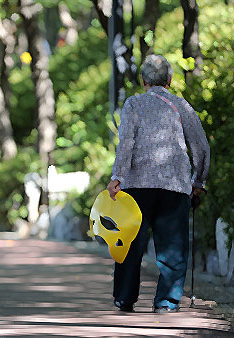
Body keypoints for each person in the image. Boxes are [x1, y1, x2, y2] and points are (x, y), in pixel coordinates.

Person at [107, 55, 210, 313]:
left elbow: (126, 143)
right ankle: (166, 302)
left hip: (136, 189)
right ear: (170, 80)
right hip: (174, 187)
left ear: (143, 81)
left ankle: (124, 298)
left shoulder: (133, 104)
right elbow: (201, 146)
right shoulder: (181, 105)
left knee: (131, 245)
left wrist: (117, 177)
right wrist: (199, 180)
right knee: (172, 249)